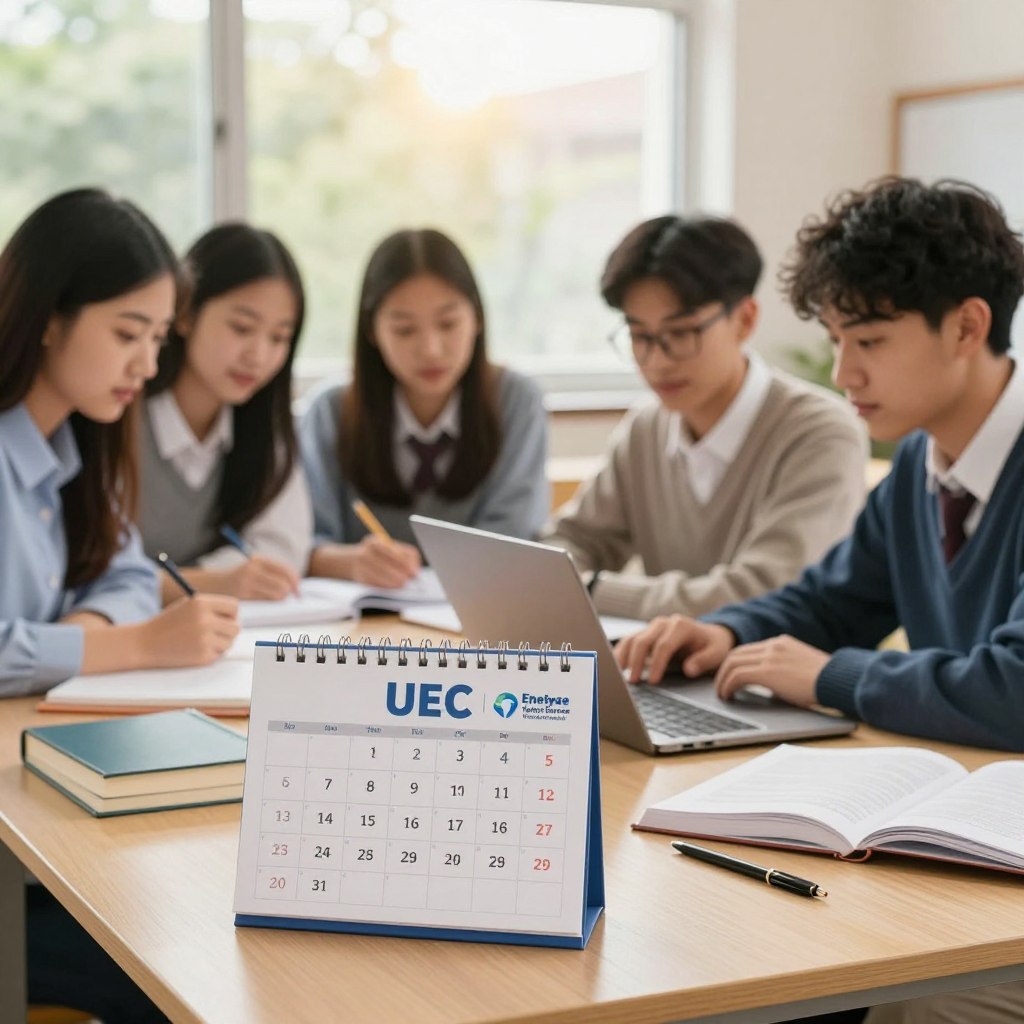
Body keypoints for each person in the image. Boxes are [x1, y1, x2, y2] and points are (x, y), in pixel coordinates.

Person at [616, 178, 1024, 1020]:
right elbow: (828, 603)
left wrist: (830, 677)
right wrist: (722, 632)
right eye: (837, 338)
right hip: (970, 858)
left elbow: (1015, 688)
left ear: (969, 326)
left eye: (868, 338)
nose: (843, 372)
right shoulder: (920, 465)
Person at [0, 188, 237, 1022]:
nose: (147, 365)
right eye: (127, 335)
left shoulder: (78, 440)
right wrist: (129, 648)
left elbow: (130, 571)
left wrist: (84, 632)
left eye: (158, 339)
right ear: (49, 318)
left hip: (34, 789)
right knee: (185, 970)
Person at [542, 215, 867, 621]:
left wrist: (592, 590)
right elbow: (568, 543)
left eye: (680, 334)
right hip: (669, 673)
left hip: (770, 676)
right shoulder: (646, 428)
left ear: (745, 319)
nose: (657, 361)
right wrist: (572, 579)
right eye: (640, 337)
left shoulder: (820, 434)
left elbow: (762, 593)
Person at [299, 228, 549, 588]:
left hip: (476, 623)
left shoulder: (516, 402)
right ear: (372, 330)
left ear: (477, 318)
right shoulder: (330, 411)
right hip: (357, 629)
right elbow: (306, 544)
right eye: (404, 330)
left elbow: (514, 541)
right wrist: (352, 563)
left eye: (448, 324)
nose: (431, 349)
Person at [141, 223, 312, 602]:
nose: (259, 356)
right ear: (184, 314)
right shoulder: (120, 419)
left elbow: (281, 551)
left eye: (279, 337)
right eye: (242, 327)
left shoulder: (266, 431)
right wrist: (212, 581)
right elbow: (87, 575)